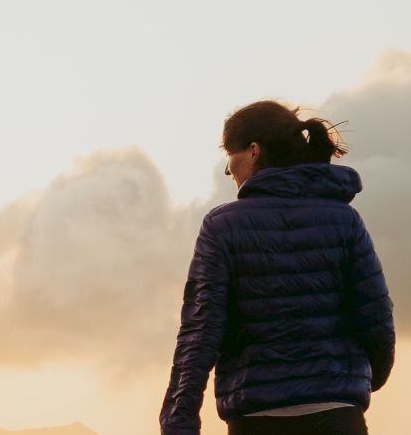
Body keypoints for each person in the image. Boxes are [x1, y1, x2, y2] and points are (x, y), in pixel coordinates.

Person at [159, 100, 396, 435]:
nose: (228, 171)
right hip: (337, 414)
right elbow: (376, 314)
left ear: (253, 151)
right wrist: (363, 378)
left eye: (231, 156)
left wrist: (179, 420)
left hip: (257, 418)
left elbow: (201, 330)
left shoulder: (222, 226)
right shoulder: (344, 220)